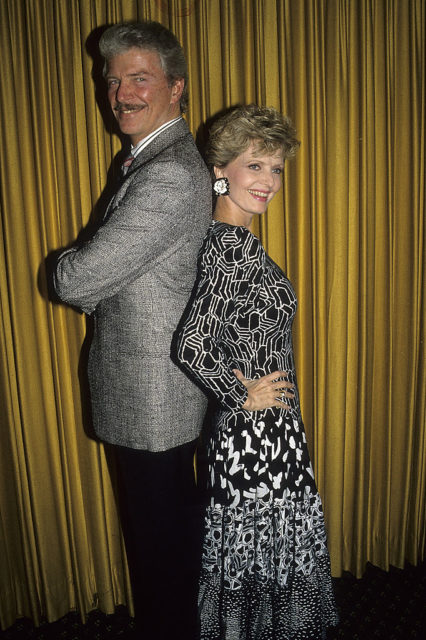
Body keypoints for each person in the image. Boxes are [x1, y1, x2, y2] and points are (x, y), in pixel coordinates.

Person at [52, 21, 211, 639]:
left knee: (162, 558)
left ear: (176, 88)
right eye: (112, 80)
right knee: (167, 550)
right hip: (157, 399)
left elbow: (75, 280)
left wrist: (68, 264)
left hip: (154, 406)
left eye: (138, 78)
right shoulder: (149, 161)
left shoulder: (167, 173)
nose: (119, 93)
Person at [177, 104, 339, 639]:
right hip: (254, 436)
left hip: (270, 431)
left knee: (266, 556)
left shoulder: (241, 243)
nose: (269, 180)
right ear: (220, 170)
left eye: (276, 168)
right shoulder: (228, 249)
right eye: (255, 165)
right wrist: (241, 395)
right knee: (257, 557)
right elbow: (194, 344)